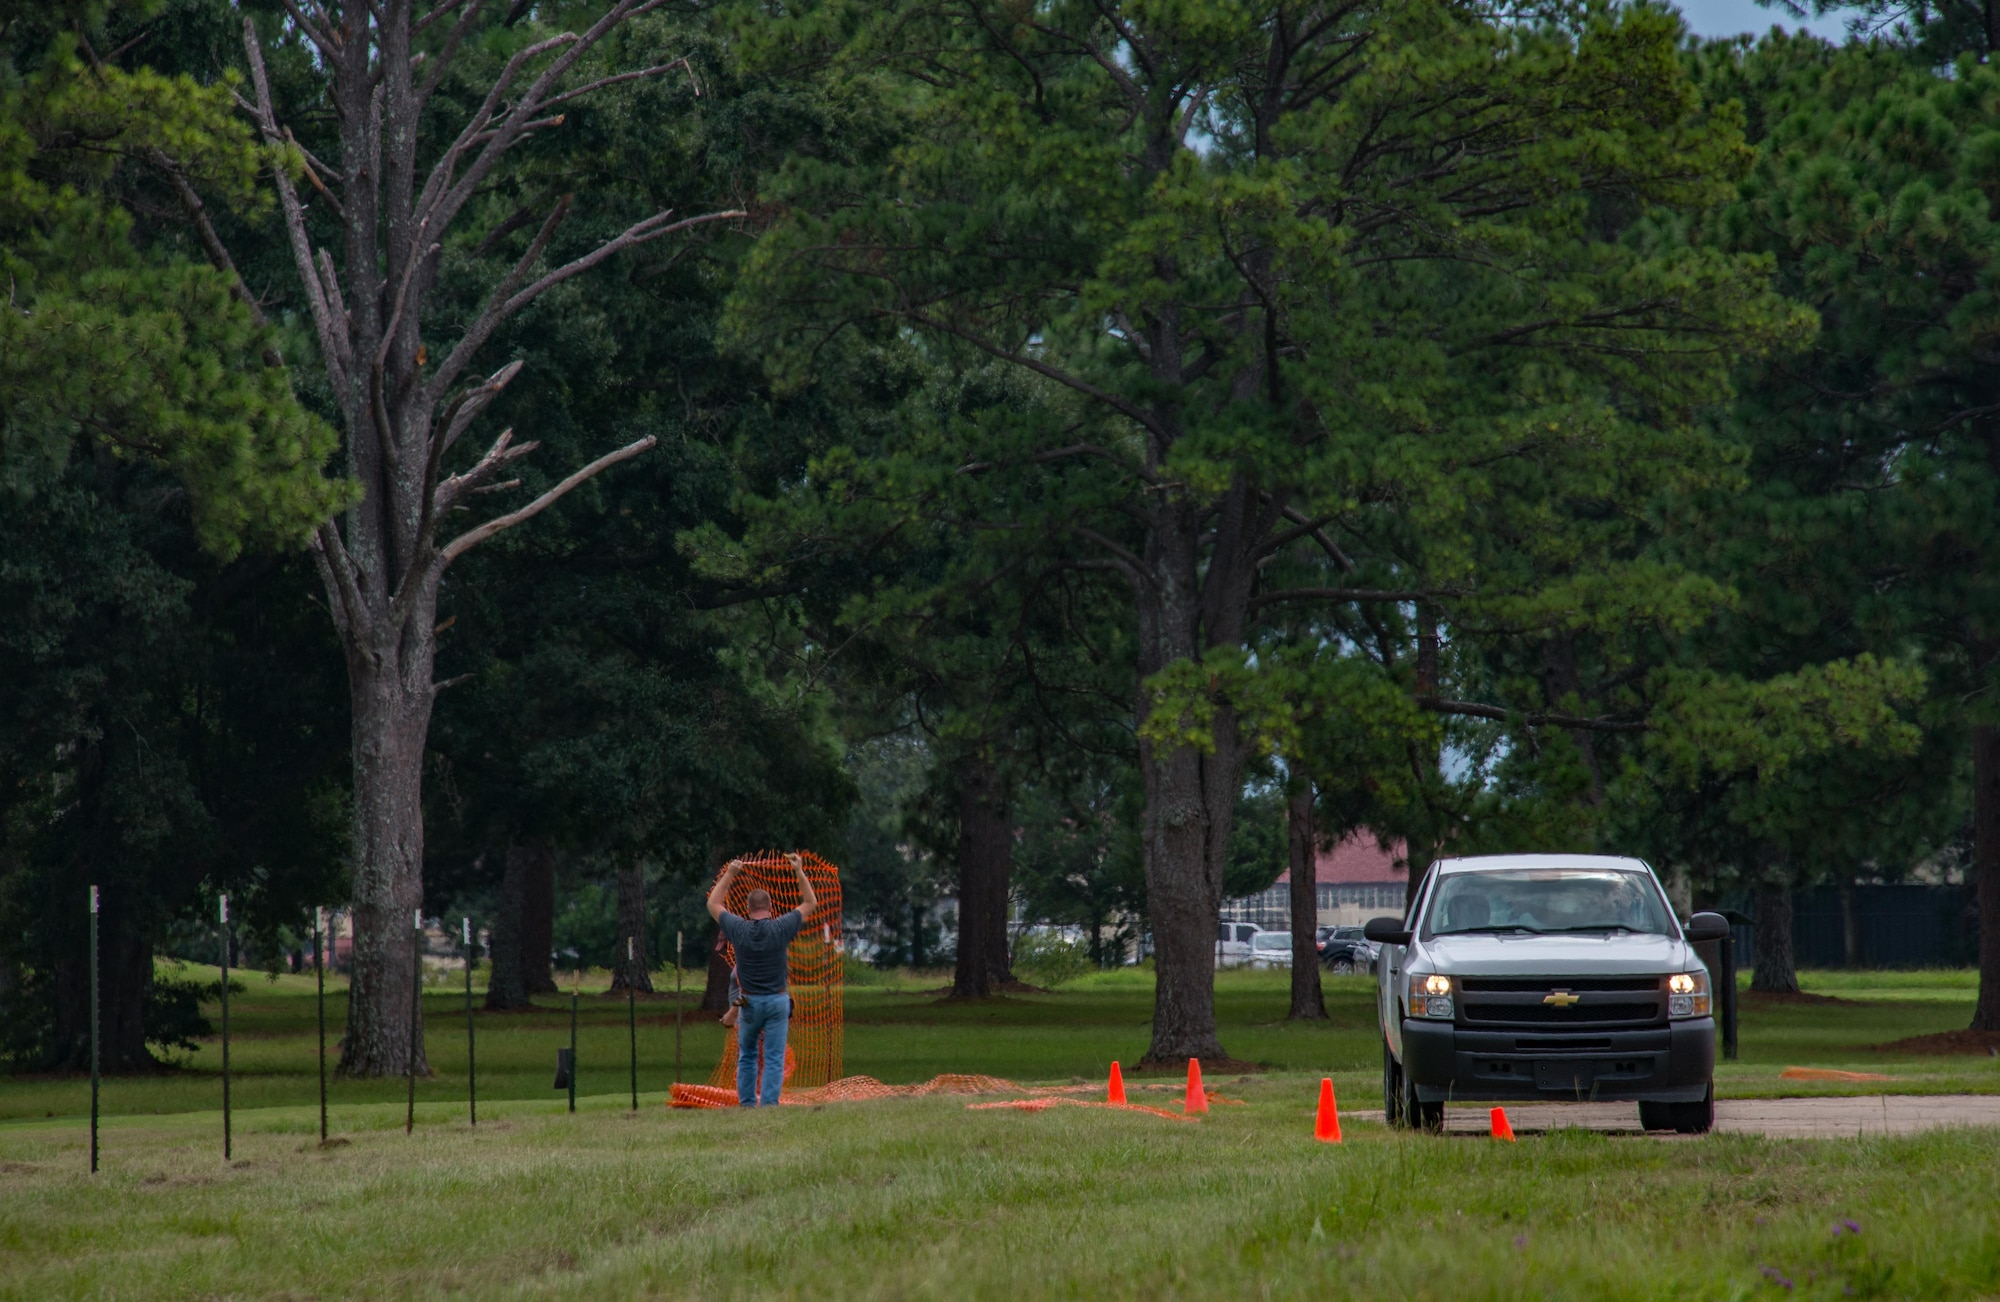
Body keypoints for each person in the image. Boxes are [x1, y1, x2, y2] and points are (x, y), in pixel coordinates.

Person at [706, 853, 817, 1107]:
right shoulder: (781, 927)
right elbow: (810, 903)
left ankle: (747, 1104)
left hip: (748, 1003)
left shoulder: (738, 928)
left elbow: (713, 904)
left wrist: (730, 874)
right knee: (774, 1057)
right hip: (777, 1001)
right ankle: (768, 1105)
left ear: (747, 908)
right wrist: (799, 870)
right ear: (769, 907)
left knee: (747, 1055)